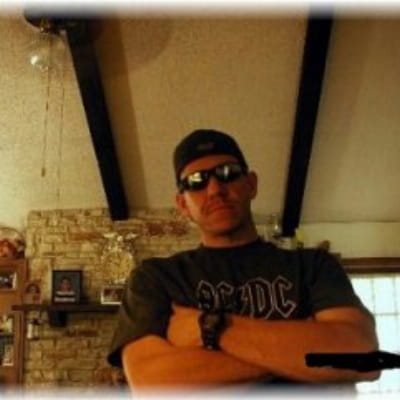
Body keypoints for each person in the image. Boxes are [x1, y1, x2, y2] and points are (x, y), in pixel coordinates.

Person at [107, 129, 380, 390]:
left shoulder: (314, 266)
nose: (215, 189)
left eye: (227, 173)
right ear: (183, 204)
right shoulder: (155, 278)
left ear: (251, 184)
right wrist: (299, 353)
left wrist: (213, 328)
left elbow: (362, 356)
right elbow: (152, 383)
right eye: (196, 181)